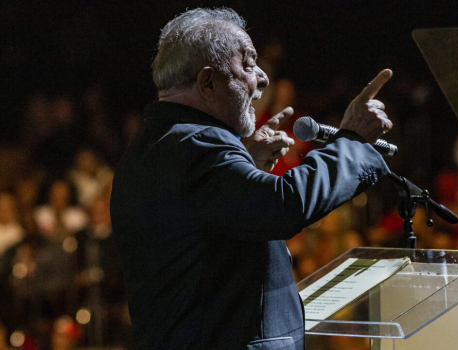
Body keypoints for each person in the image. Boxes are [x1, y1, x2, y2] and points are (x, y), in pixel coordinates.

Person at [110, 8, 393, 350]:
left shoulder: (151, 148)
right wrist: (352, 141)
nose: (262, 78)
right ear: (208, 82)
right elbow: (284, 206)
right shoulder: (199, 146)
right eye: (247, 64)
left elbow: (205, 241)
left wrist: (247, 166)